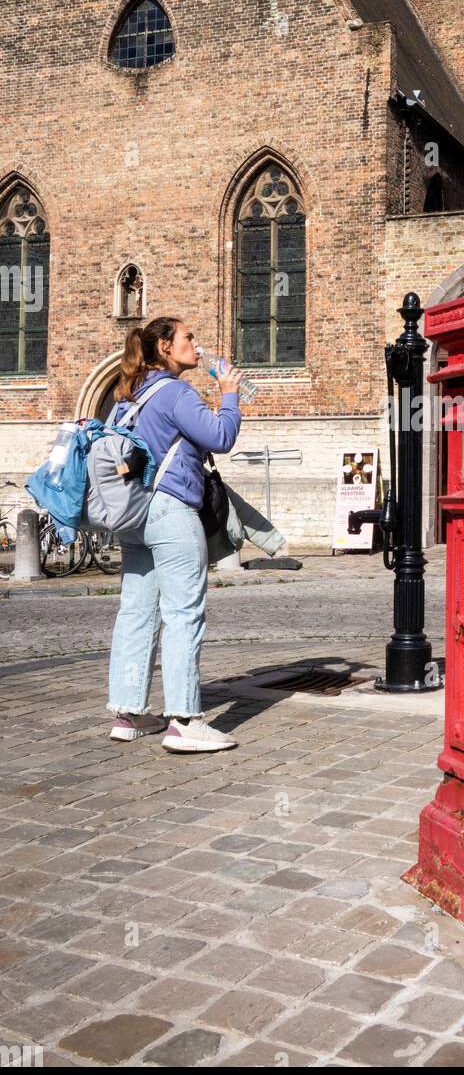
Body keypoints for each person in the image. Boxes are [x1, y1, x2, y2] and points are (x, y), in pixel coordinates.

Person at [105, 316, 243, 752]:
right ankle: (184, 721)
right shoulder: (176, 392)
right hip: (171, 510)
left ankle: (128, 713)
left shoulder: (125, 398)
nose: (196, 345)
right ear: (164, 346)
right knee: (183, 612)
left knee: (136, 611)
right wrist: (231, 394)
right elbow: (221, 436)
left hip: (134, 514)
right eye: (188, 337)